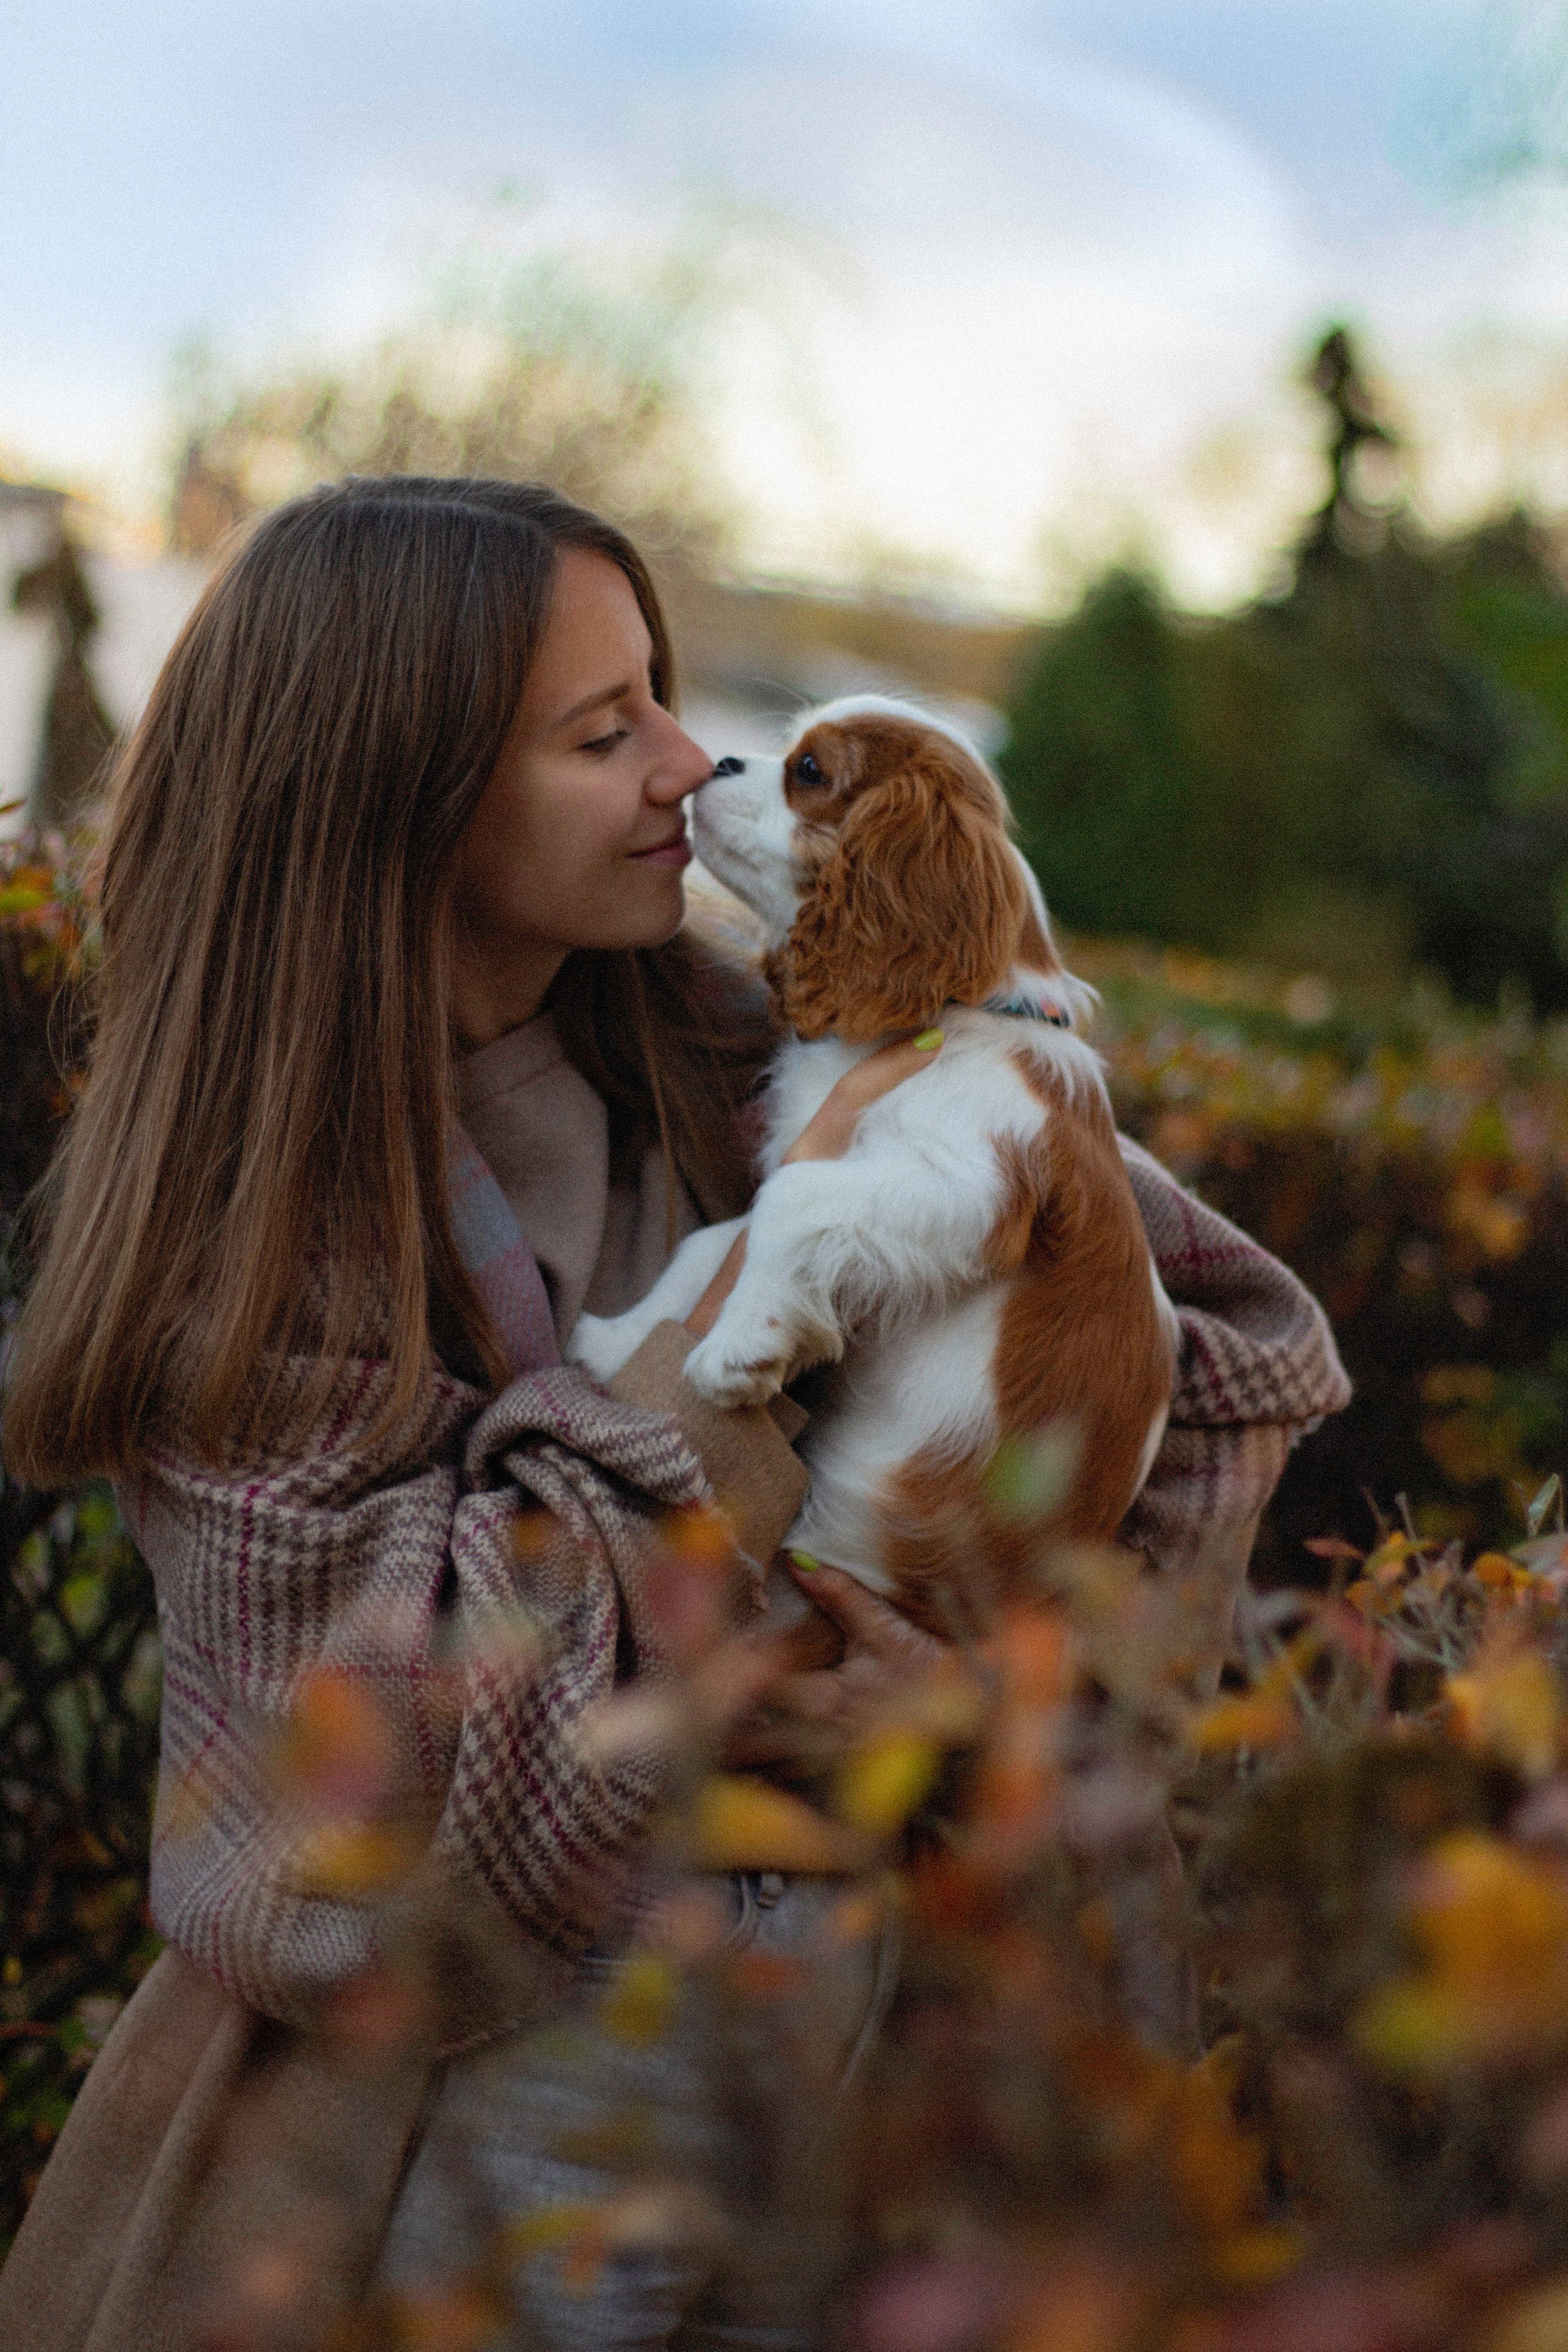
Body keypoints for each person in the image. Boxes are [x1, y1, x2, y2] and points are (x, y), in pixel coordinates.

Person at [0, 477, 1348, 2352]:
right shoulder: (251, 1229)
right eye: (599, 728)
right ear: (405, 790)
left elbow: (1230, 1344)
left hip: (864, 2088)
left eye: (665, 691)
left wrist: (1012, 1707)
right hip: (438, 2153)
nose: (684, 760)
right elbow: (349, 1816)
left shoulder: (763, 1061)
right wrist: (717, 1371)